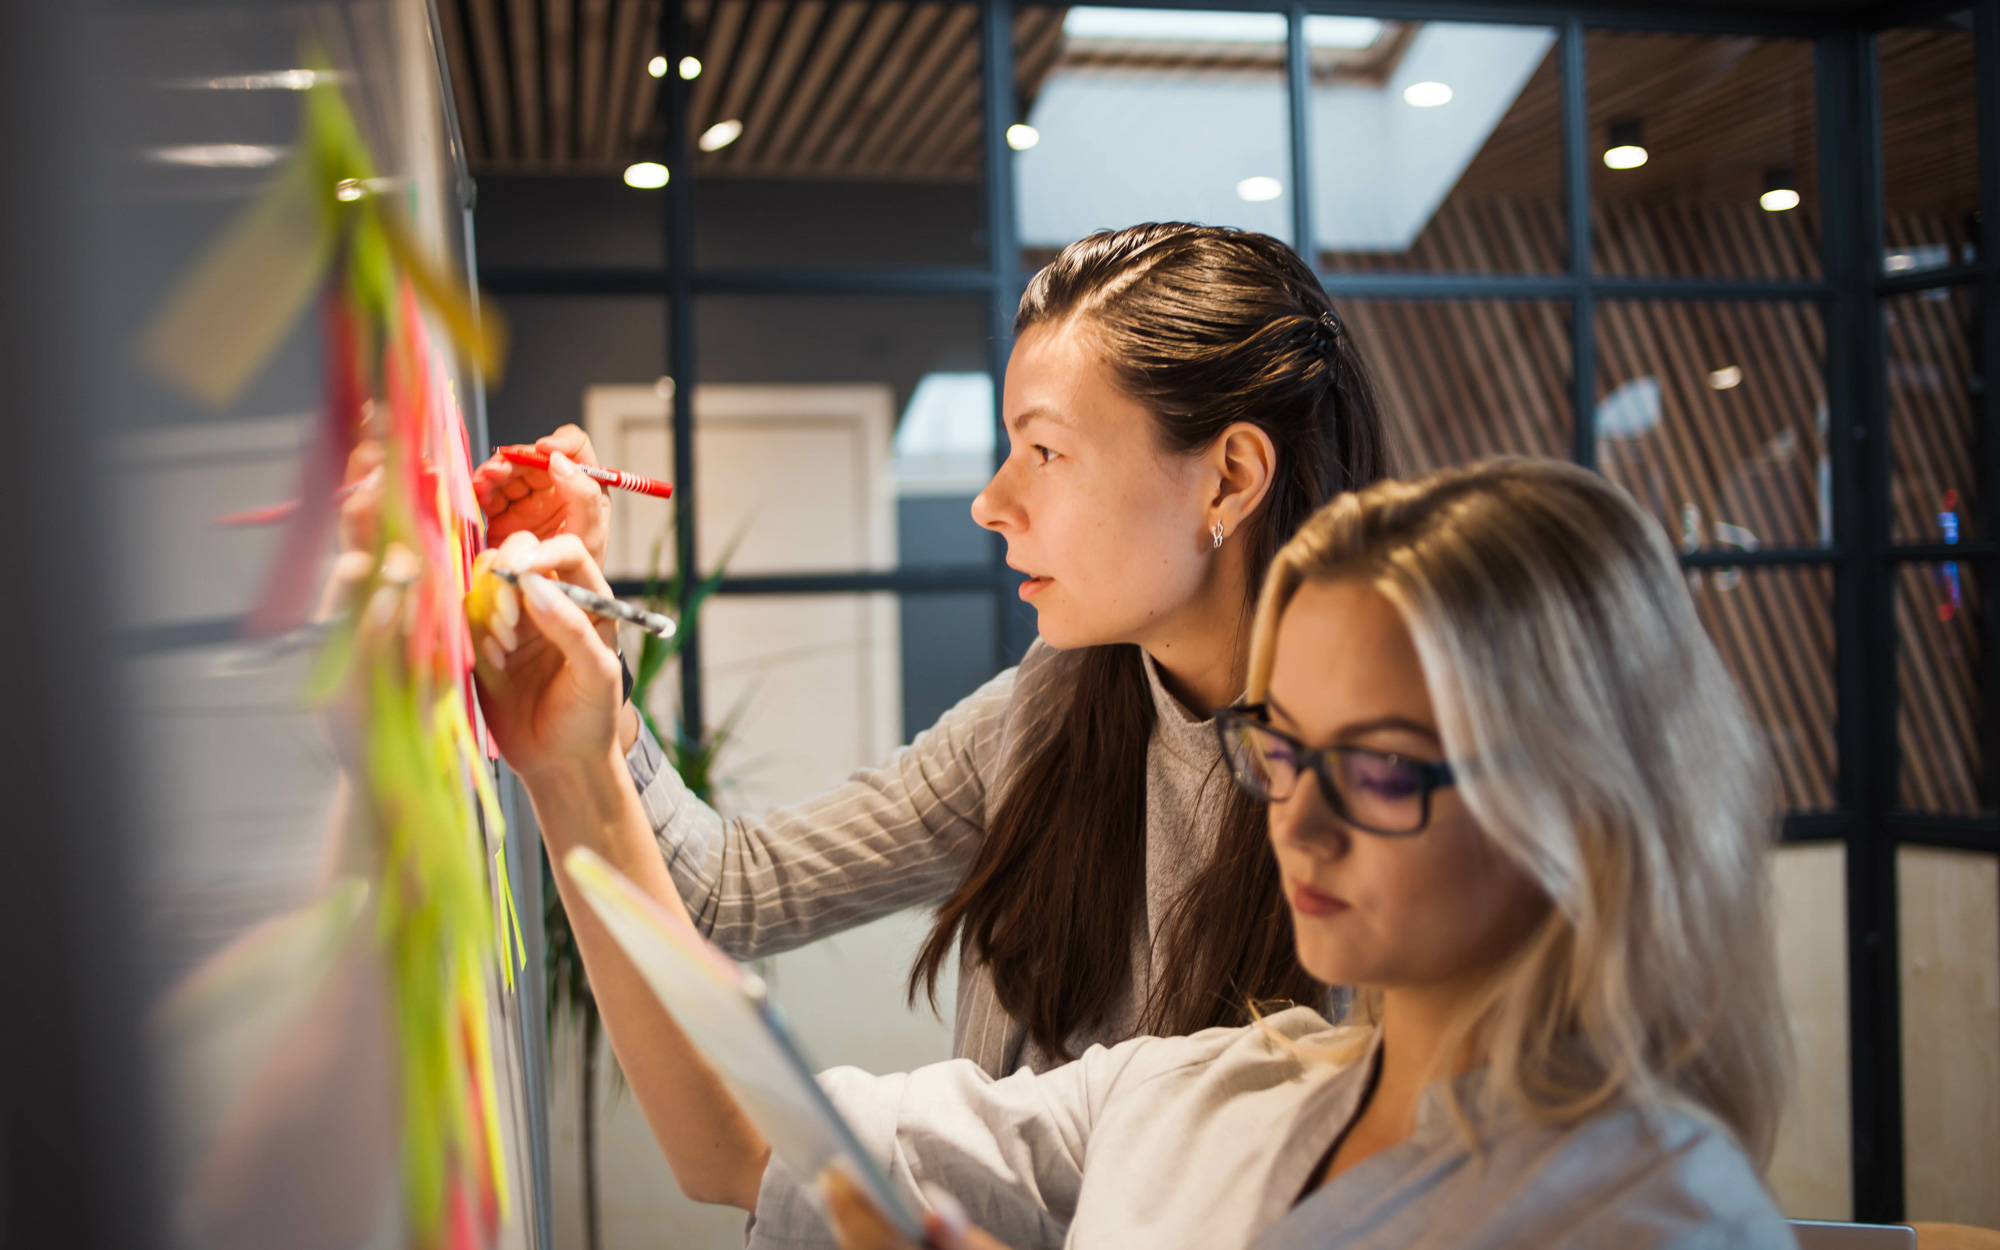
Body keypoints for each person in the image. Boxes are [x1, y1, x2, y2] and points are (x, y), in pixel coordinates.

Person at [477, 457, 1795, 1250]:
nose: (1303, 819)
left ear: (1584, 795)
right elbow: (745, 1149)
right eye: (1283, 748)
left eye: (1382, 765)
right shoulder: (1201, 1093)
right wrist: (569, 761)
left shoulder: (1660, 1215)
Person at [473, 223, 1394, 1074]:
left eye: (1045, 452)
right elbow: (729, 889)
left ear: (1229, 478)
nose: (990, 503)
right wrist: (585, 688)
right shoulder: (1052, 707)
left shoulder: (1384, 807)